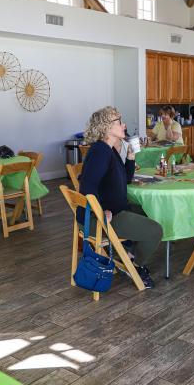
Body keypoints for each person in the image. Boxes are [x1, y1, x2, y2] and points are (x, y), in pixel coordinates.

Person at [78, 106, 163, 288]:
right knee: (155, 231)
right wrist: (101, 213)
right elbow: (87, 186)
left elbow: (125, 179)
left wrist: (130, 158)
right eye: (119, 121)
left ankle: (127, 254)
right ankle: (134, 265)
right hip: (98, 219)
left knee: (148, 211)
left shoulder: (109, 150)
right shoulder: (101, 151)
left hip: (114, 210)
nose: (124, 125)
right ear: (106, 127)